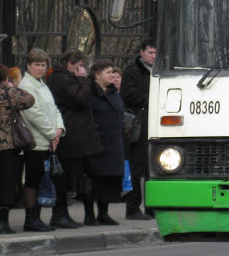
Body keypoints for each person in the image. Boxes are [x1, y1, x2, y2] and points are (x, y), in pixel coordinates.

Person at [47, 49, 103, 228]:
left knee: (76, 176)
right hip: (71, 136)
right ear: (70, 64)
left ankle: (66, 214)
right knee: (65, 178)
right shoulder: (62, 79)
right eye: (80, 65)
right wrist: (82, 79)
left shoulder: (64, 78)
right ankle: (59, 214)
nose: (82, 69)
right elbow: (80, 99)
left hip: (77, 135)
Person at [18, 48, 65, 232]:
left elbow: (54, 110)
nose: (40, 68)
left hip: (48, 140)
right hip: (35, 142)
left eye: (43, 65)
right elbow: (33, 114)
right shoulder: (26, 85)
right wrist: (52, 134)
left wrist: (59, 129)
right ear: (28, 66)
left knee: (42, 179)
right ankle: (30, 219)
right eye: (36, 65)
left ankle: (37, 217)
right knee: (33, 180)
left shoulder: (42, 84)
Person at [0, 62, 34, 234]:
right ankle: (3, 222)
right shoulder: (6, 92)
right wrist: (10, 86)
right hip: (4, 143)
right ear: (5, 77)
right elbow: (29, 99)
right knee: (5, 182)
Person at [86, 60, 126, 225]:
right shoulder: (89, 92)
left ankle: (103, 213)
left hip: (114, 141)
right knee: (94, 179)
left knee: (109, 179)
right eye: (108, 72)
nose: (112, 75)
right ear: (97, 75)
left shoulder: (113, 92)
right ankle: (89, 214)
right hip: (96, 141)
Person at [121, 39, 155, 220]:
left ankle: (152, 206)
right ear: (141, 52)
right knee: (136, 167)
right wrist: (152, 97)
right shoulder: (132, 71)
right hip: (139, 125)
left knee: (154, 169)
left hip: (155, 125)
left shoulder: (159, 71)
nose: (153, 57)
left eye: (156, 53)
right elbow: (128, 95)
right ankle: (133, 207)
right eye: (150, 52)